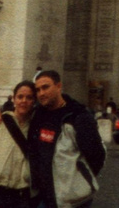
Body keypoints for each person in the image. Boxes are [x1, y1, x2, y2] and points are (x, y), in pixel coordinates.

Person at [30, 69, 106, 208]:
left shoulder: (79, 116)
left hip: (73, 199)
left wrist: (78, 181)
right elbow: (18, 108)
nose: (41, 93)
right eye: (38, 90)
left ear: (59, 86)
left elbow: (97, 156)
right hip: (45, 195)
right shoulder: (38, 113)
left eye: (46, 87)